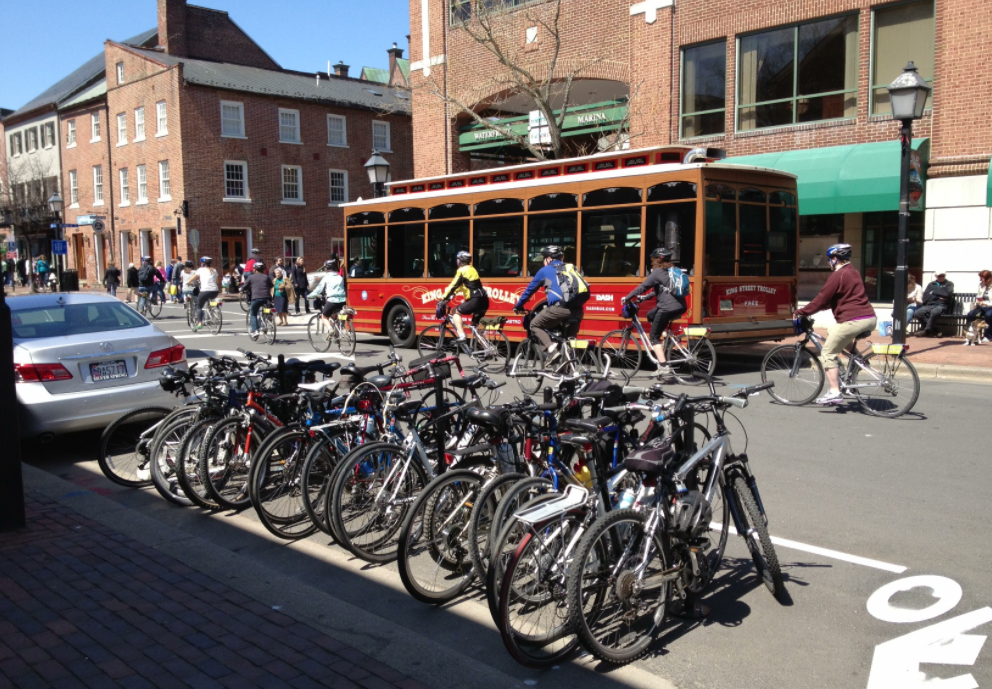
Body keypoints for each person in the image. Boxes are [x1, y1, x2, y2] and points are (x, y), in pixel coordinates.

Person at [794, 243, 877, 405]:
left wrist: (801, 312)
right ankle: (858, 361)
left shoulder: (838, 275)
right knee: (833, 330)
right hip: (868, 318)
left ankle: (834, 392)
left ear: (835, 259)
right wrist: (819, 308)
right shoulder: (852, 271)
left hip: (854, 320)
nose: (828, 263)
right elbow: (834, 299)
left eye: (829, 259)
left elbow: (822, 298)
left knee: (827, 353)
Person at [620, 248, 686, 380]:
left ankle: (663, 366)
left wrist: (627, 297)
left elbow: (642, 287)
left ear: (656, 260)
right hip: (681, 306)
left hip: (667, 307)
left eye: (652, 260)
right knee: (651, 315)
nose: (651, 262)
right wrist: (645, 298)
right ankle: (664, 334)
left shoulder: (657, 272)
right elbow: (660, 290)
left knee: (653, 336)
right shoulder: (672, 271)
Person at [513, 245, 590, 357]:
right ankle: (568, 369)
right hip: (578, 311)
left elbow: (529, 291)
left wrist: (518, 306)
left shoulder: (545, 271)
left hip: (559, 310)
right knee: (568, 343)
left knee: (534, 324)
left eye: (544, 258)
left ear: (548, 258)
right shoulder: (571, 268)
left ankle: (550, 346)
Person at [439, 251, 488, 353]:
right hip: (484, 300)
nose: (456, 261)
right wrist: (449, 298)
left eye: (457, 259)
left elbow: (453, 286)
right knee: (475, 328)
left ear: (460, 261)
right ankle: (488, 350)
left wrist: (443, 299)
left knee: (454, 311)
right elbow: (460, 287)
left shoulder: (462, 271)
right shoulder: (472, 269)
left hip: (475, 299)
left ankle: (462, 336)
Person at [911, 270, 955, 337]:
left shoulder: (949, 284)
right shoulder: (931, 284)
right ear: (936, 276)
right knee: (918, 313)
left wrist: (934, 293)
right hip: (930, 304)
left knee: (935, 312)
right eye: (940, 276)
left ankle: (927, 331)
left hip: (942, 305)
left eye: (943, 276)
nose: (941, 277)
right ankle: (934, 330)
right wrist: (940, 294)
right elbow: (926, 296)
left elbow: (947, 294)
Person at [308, 259, 347, 327]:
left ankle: (331, 329)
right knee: (337, 315)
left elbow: (319, 289)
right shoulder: (340, 277)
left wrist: (310, 295)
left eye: (325, 267)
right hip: (342, 301)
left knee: (324, 317)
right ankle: (339, 328)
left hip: (332, 301)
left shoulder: (326, 277)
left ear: (327, 268)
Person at [242, 261, 273, 338]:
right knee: (267, 309)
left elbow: (245, 286)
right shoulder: (266, 277)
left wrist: (241, 289)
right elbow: (271, 285)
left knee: (253, 314)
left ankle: (255, 330)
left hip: (256, 298)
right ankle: (268, 318)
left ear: (255, 270)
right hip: (266, 298)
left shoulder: (251, 277)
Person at [964, 269, 992, 345]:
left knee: (989, 315)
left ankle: (988, 336)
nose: (981, 280)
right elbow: (979, 295)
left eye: (982, 278)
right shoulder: (981, 285)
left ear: (988, 278)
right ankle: (969, 333)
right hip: (982, 306)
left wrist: (987, 304)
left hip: (990, 307)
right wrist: (978, 301)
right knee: (971, 314)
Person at [192, 256, 220, 329]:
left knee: (199, 306)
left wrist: (188, 282)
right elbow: (217, 281)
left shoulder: (200, 270)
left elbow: (194, 277)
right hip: (215, 291)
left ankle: (199, 323)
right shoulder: (214, 270)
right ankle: (213, 311)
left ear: (203, 263)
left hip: (204, 291)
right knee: (210, 300)